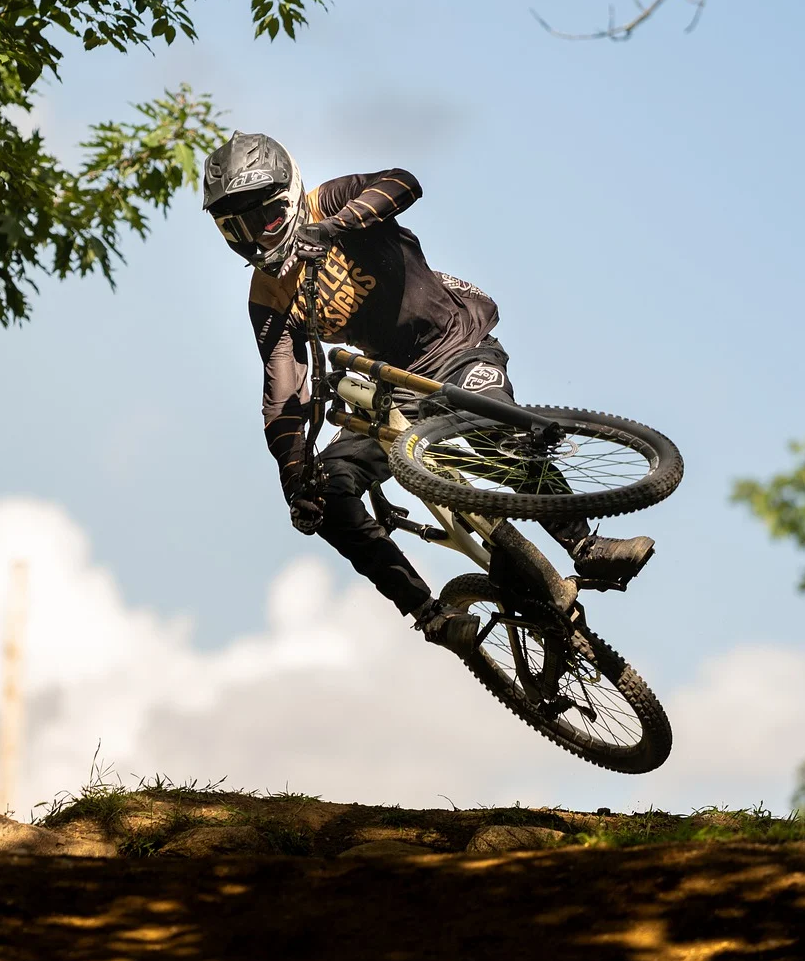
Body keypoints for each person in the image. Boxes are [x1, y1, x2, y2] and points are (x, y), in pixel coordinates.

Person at [202, 132, 655, 648]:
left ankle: (587, 547)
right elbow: (284, 393)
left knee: (494, 429)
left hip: (458, 345)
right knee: (325, 493)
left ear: (289, 197)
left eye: (266, 218)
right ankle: (431, 614)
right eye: (238, 228)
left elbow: (402, 183)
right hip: (393, 385)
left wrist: (331, 228)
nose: (257, 238)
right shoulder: (268, 296)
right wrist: (293, 474)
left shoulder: (329, 201)